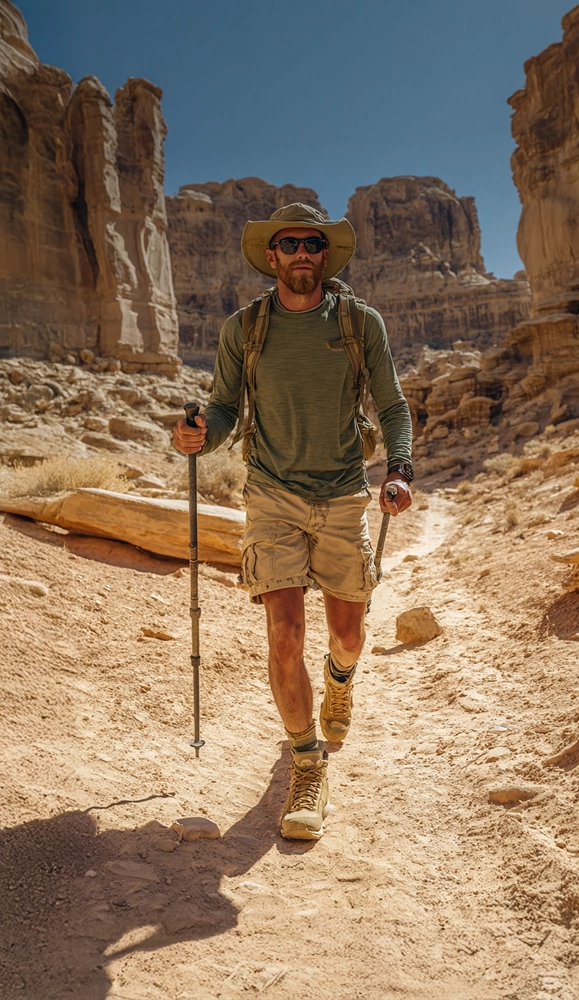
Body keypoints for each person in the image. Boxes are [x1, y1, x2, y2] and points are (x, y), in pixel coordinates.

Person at [173, 203, 414, 840]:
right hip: (272, 495)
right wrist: (202, 435)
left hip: (341, 496)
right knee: (283, 632)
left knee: (348, 637)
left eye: (313, 243)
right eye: (289, 244)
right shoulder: (245, 328)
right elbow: (225, 407)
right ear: (272, 256)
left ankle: (340, 684)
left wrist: (400, 469)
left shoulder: (361, 323)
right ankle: (307, 764)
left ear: (325, 256)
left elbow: (390, 402)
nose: (302, 252)